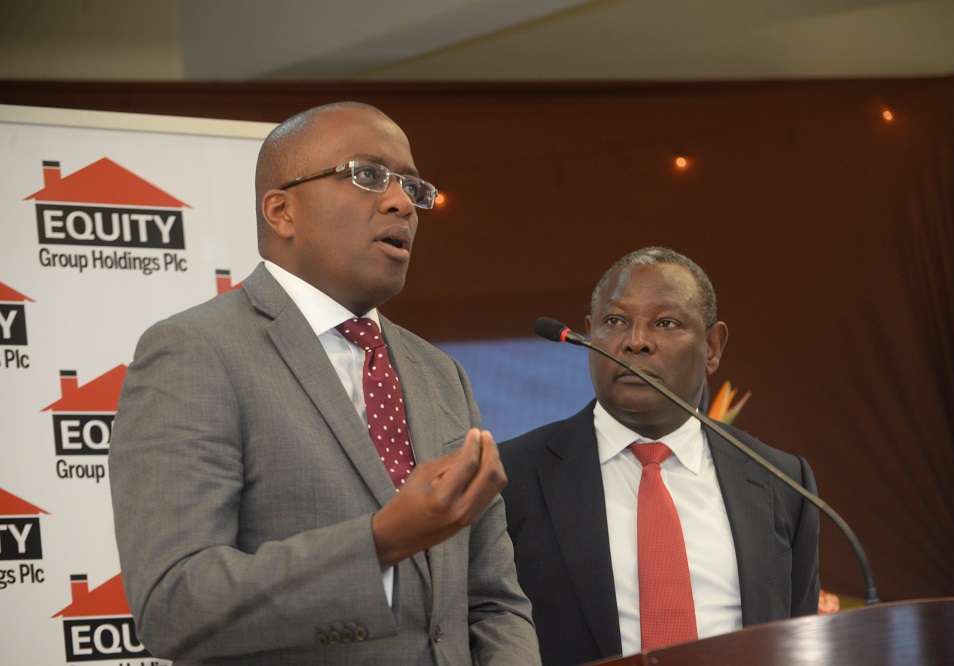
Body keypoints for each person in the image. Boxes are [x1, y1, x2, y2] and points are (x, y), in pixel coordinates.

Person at [109, 102, 541, 665]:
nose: (401, 202)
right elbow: (175, 604)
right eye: (367, 175)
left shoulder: (441, 374)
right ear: (281, 211)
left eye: (412, 186)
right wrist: (380, 542)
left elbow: (492, 601)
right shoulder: (196, 353)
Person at [500, 247, 819, 666]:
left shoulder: (781, 481)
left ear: (712, 347)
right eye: (615, 321)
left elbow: (795, 640)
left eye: (666, 323)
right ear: (589, 333)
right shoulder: (512, 476)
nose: (635, 342)